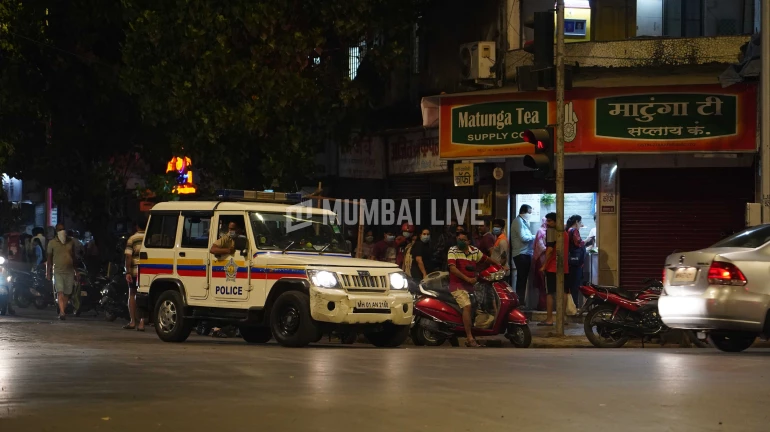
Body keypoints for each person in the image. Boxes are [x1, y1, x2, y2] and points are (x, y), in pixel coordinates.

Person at [447, 232, 505, 347]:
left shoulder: (474, 250)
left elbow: (486, 259)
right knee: (467, 306)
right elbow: (453, 269)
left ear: (468, 241)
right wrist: (467, 279)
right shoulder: (453, 250)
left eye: (463, 239)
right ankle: (469, 338)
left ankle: (476, 331)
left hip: (471, 284)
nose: (460, 242)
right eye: (458, 239)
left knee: (480, 305)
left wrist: (500, 266)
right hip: (457, 285)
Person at [538, 212, 570, 326]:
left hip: (552, 267)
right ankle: (562, 318)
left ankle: (549, 319)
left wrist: (544, 265)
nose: (547, 223)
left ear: (557, 221)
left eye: (550, 220)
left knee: (550, 293)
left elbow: (550, 250)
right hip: (564, 267)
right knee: (564, 292)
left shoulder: (552, 232)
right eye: (547, 220)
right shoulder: (565, 233)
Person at [46, 224, 78, 321]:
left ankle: (62, 309)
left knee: (67, 292)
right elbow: (49, 258)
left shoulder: (71, 242)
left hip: (69, 271)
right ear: (56, 231)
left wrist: (76, 271)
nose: (62, 231)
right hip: (58, 271)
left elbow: (74, 257)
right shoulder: (52, 243)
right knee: (60, 292)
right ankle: (62, 312)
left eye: (63, 229)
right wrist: (48, 272)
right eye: (60, 229)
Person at [124, 218, 146, 331]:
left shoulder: (132, 238)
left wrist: (127, 271)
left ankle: (132, 321)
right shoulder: (149, 237)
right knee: (144, 296)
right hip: (147, 271)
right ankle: (142, 323)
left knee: (132, 294)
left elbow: (128, 256)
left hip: (134, 271)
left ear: (137, 227)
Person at [511, 205, 535, 307]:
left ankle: (521, 301)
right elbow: (524, 238)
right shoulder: (518, 222)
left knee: (523, 278)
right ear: (523, 212)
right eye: (529, 212)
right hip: (521, 254)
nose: (530, 215)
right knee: (521, 278)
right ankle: (519, 301)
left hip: (525, 253)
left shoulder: (524, 222)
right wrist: (535, 236)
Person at [566, 215, 586, 307]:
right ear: (577, 222)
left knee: (571, 285)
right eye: (580, 222)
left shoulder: (568, 230)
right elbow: (578, 243)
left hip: (571, 262)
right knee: (575, 285)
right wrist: (587, 241)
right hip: (575, 263)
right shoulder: (574, 230)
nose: (581, 224)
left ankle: (571, 306)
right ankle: (574, 306)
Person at [532, 217, 549, 311]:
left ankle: (546, 305)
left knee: (546, 284)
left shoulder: (550, 231)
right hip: (542, 259)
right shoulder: (541, 231)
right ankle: (542, 305)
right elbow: (540, 245)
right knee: (542, 284)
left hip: (547, 259)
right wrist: (549, 249)